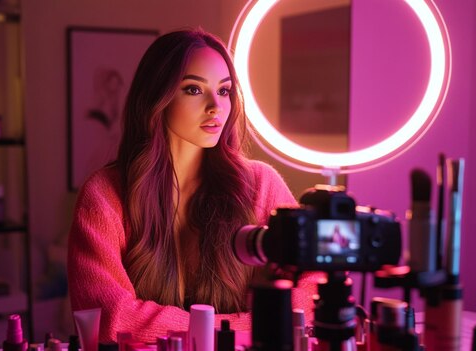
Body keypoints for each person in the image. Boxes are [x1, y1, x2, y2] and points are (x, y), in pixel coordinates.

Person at [68, 28, 318, 343]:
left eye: (224, 91)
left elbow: (315, 284)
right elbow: (111, 317)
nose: (216, 107)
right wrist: (252, 327)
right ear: (157, 97)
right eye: (193, 89)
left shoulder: (259, 184)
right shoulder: (105, 195)